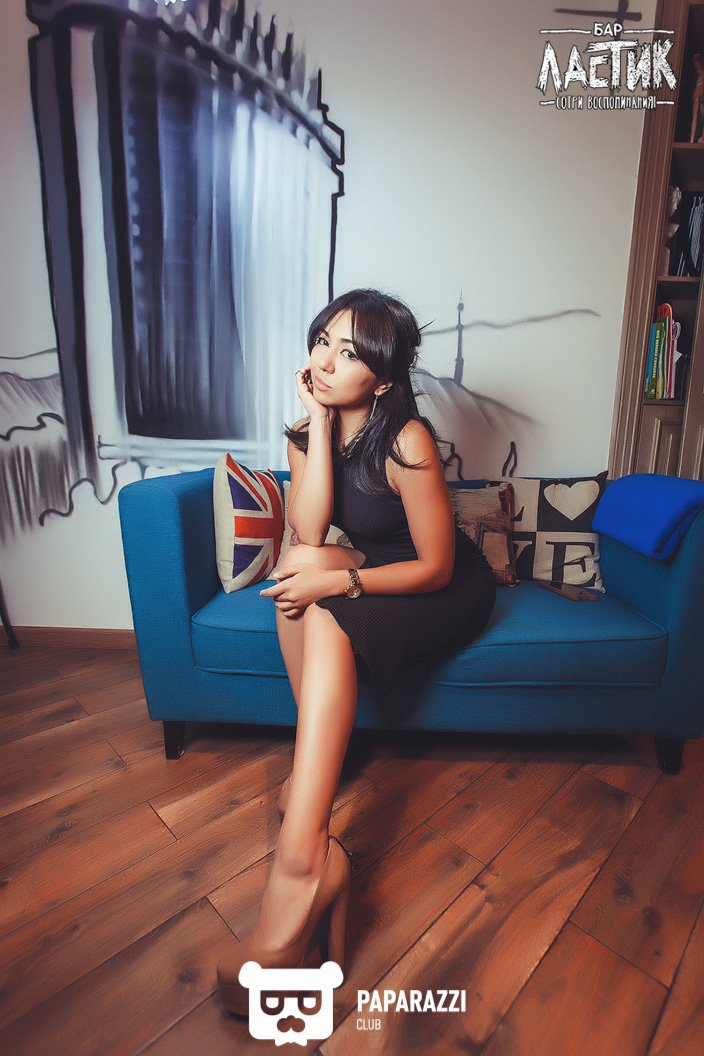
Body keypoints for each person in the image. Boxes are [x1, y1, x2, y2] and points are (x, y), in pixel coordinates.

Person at [216, 288, 496, 1015]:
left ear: (384, 376)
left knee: (324, 603)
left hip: (440, 582)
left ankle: (302, 863)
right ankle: (319, 785)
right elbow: (309, 533)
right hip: (373, 561)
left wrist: (342, 585)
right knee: (296, 570)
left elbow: (436, 566)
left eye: (350, 353)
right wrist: (316, 422)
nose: (327, 361)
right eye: (322, 342)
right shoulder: (305, 431)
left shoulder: (407, 439)